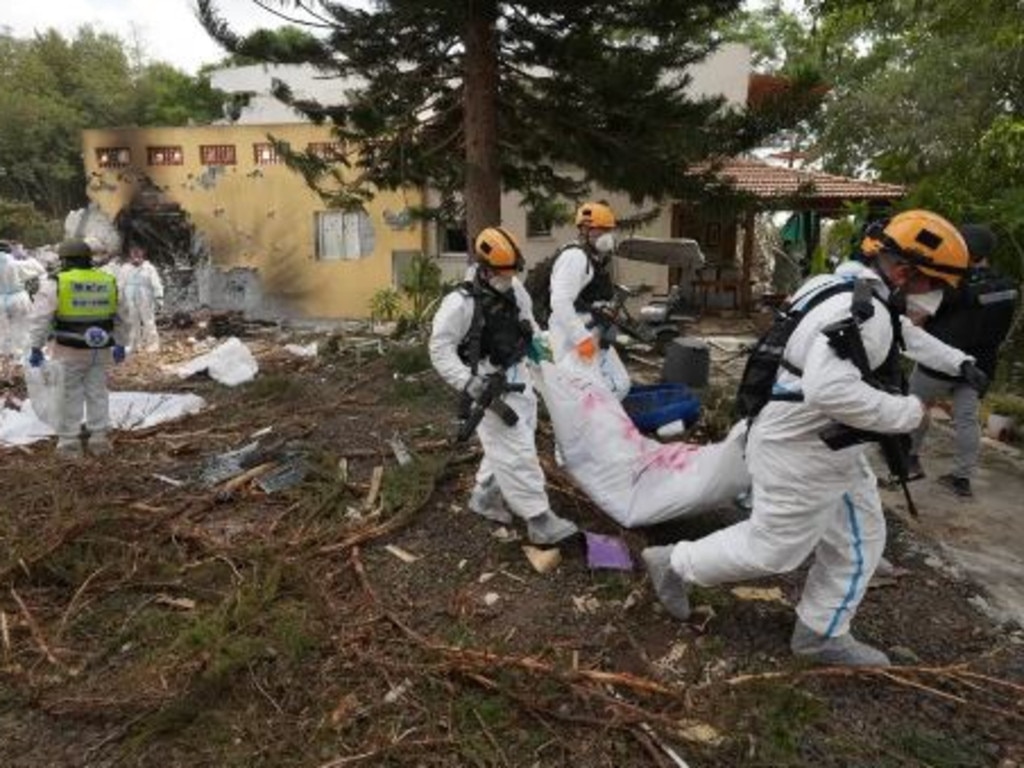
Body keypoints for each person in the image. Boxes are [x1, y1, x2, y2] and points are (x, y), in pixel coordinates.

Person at [642, 210, 986, 667]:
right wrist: (907, 412)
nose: (936, 297)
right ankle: (673, 563)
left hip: (826, 447)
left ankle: (821, 632)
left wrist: (958, 361)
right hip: (802, 450)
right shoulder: (864, 313)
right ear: (905, 272)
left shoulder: (842, 287)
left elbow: (901, 332)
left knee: (861, 537)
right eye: (934, 285)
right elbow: (831, 389)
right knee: (774, 549)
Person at [429, 226, 579, 546]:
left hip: (518, 374)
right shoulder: (460, 304)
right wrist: (468, 383)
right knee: (517, 450)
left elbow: (530, 325)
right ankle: (539, 519)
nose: (509, 278)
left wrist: (544, 353)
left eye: (512, 272)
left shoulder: (514, 289)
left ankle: (485, 494)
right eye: (503, 272)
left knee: (519, 436)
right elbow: (439, 350)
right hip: (487, 383)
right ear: (484, 268)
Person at [906, 225, 1020, 498]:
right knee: (967, 421)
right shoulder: (1008, 287)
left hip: (941, 361)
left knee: (915, 409)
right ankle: (962, 479)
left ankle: (908, 461)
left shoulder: (950, 285)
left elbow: (915, 320)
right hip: (980, 367)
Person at [27, 239, 128, 457]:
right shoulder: (108, 281)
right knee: (98, 393)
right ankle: (99, 439)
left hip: (69, 350)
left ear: (65, 260)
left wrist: (35, 347)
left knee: (68, 394)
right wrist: (120, 343)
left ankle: (69, 442)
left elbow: (40, 319)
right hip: (100, 349)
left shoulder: (56, 282)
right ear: (88, 259)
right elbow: (121, 317)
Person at [548, 201, 631, 399]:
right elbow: (560, 302)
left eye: (608, 230)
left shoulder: (595, 259)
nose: (607, 236)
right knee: (588, 393)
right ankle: (587, 428)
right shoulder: (575, 258)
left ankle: (602, 426)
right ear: (585, 231)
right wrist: (581, 339)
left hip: (593, 334)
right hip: (575, 339)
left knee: (617, 385)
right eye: (602, 230)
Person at [118, 242, 164, 353]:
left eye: (138, 251)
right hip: (130, 298)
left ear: (143, 253)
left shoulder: (149, 268)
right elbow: (120, 284)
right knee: (132, 322)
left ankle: (152, 344)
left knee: (148, 321)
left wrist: (159, 297)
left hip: (145, 298)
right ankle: (134, 345)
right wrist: (119, 298)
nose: (136, 254)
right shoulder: (125, 268)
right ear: (130, 254)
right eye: (133, 251)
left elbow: (156, 283)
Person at [0, 240, 34, 360]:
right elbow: (38, 271)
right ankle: (19, 366)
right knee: (22, 332)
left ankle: (4, 364)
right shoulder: (15, 263)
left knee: (3, 335)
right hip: (19, 298)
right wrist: (26, 257)